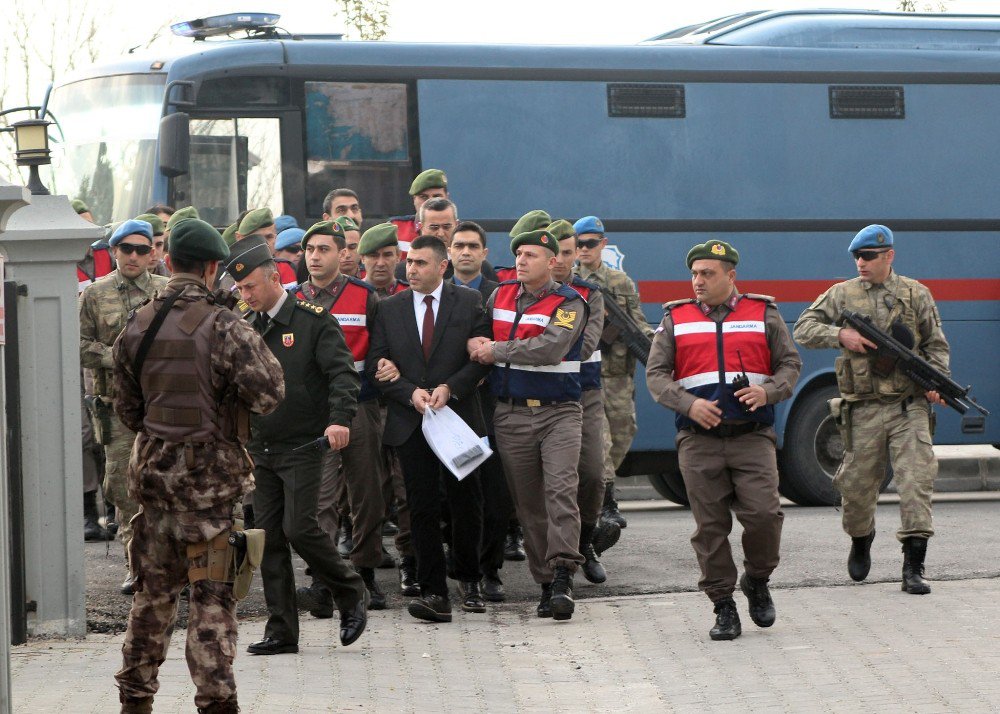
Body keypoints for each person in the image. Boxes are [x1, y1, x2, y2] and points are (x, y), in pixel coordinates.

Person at [112, 218, 284, 713]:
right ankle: (215, 703)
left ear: (167, 263)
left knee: (151, 599)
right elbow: (271, 394)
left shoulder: (138, 322)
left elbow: (128, 411)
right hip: (209, 492)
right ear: (213, 268)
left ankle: (135, 701)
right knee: (212, 605)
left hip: (154, 487)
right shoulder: (225, 324)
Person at [646, 240, 801, 641]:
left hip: (753, 437)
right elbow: (657, 376)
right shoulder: (675, 318)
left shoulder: (762, 312)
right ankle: (723, 605)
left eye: (708, 273)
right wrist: (689, 404)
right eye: (694, 273)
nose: (698, 281)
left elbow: (789, 362)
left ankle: (757, 578)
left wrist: (768, 392)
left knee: (765, 516)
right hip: (699, 441)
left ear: (731, 276)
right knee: (710, 527)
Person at [227, 234, 370, 656]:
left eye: (251, 286)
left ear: (274, 279)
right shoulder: (245, 324)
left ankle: (349, 591)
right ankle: (281, 630)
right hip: (262, 446)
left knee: (300, 528)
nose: (245, 295)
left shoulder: (312, 320)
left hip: (305, 443)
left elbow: (343, 374)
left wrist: (340, 420)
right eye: (240, 289)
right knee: (267, 538)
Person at [793, 225, 949, 595]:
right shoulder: (842, 294)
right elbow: (803, 327)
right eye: (857, 257)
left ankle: (913, 566)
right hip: (862, 408)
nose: (861, 262)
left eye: (869, 257)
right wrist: (840, 335)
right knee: (857, 490)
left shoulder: (915, 294)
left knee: (916, 482)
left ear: (889, 256)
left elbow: (935, 345)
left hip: (908, 406)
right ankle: (861, 538)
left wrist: (937, 382)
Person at [368, 235, 491, 622]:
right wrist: (409, 392)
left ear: (442, 266)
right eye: (410, 262)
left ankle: (470, 579)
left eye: (421, 263)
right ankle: (433, 591)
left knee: (465, 502)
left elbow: (482, 360)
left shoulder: (469, 302)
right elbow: (378, 362)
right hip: (412, 421)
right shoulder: (390, 308)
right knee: (419, 507)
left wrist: (450, 387)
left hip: (458, 420)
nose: (411, 269)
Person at [469, 228, 588, 621]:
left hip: (559, 412)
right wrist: (476, 343)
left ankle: (562, 576)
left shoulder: (570, 302)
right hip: (511, 413)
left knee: (560, 493)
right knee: (528, 504)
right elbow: (479, 332)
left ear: (552, 261)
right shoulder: (499, 294)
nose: (520, 260)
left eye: (531, 254)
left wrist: (496, 351)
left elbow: (551, 348)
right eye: (518, 253)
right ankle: (544, 583)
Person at [295, 221, 390, 610]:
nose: (315, 257)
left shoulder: (365, 297)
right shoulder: (292, 298)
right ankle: (323, 579)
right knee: (320, 499)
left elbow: (380, 348)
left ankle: (365, 572)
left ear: (342, 254)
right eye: (310, 250)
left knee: (367, 493)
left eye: (324, 250)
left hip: (360, 408)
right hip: (315, 414)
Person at [79, 219, 169, 595]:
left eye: (142, 249)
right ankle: (138, 568)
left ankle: (165, 565)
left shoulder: (167, 291)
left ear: (153, 254)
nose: (133, 256)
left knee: (166, 484)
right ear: (113, 250)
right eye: (125, 249)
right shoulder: (94, 294)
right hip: (117, 408)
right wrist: (119, 355)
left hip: (164, 405)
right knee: (122, 487)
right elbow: (80, 346)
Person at [548, 219, 621, 583]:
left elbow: (587, 344)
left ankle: (587, 540)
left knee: (592, 474)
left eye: (568, 251)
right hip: (541, 394)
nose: (562, 259)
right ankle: (556, 556)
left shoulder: (589, 293)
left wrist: (545, 343)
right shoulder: (527, 291)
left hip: (584, 391)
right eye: (556, 252)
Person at [572, 215, 654, 529]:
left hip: (619, 372)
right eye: (579, 244)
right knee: (601, 441)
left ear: (602, 244)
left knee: (624, 432)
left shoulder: (621, 282)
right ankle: (606, 503)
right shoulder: (571, 282)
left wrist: (645, 337)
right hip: (588, 373)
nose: (584, 249)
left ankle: (597, 489)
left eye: (591, 243)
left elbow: (638, 321)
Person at [358, 223, 416, 596]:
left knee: (407, 488)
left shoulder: (410, 297)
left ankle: (411, 562)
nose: (381, 263)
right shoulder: (353, 295)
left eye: (387, 255)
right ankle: (367, 565)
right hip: (364, 405)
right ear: (362, 258)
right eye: (373, 256)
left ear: (398, 258)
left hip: (401, 406)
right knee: (368, 491)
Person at [389, 168, 450, 258]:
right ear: (414, 200)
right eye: (424, 197)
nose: (430, 202)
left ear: (447, 198)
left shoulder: (460, 232)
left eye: (436, 196)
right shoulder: (395, 229)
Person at [135, 213, 171, 277]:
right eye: (148, 245)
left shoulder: (172, 276)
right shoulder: (114, 278)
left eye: (159, 245)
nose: (153, 253)